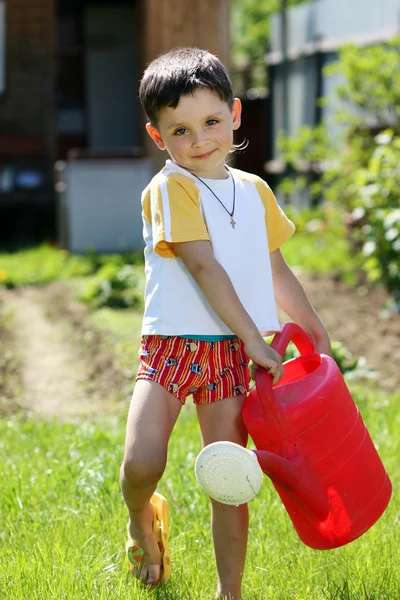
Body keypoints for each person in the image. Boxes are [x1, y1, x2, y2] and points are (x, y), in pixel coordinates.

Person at [120, 47, 332, 600]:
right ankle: (141, 514)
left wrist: (308, 322)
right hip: (171, 347)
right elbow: (202, 265)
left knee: (228, 482)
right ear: (158, 137)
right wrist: (253, 338)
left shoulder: (255, 191)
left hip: (231, 359)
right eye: (181, 130)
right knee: (143, 460)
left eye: (211, 121)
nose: (200, 140)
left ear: (234, 113)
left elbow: (274, 265)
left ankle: (229, 592)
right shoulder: (171, 188)